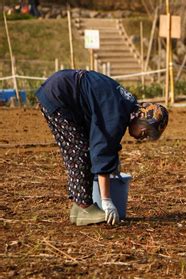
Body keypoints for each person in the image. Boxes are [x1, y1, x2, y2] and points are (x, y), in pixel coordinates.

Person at [36, 69, 168, 226]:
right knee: (80, 152)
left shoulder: (125, 106)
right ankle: (85, 208)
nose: (143, 137)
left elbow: (106, 139)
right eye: (145, 132)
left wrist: (114, 161)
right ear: (141, 120)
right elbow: (102, 149)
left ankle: (78, 207)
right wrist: (106, 200)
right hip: (60, 95)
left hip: (60, 91)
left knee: (81, 149)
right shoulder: (118, 113)